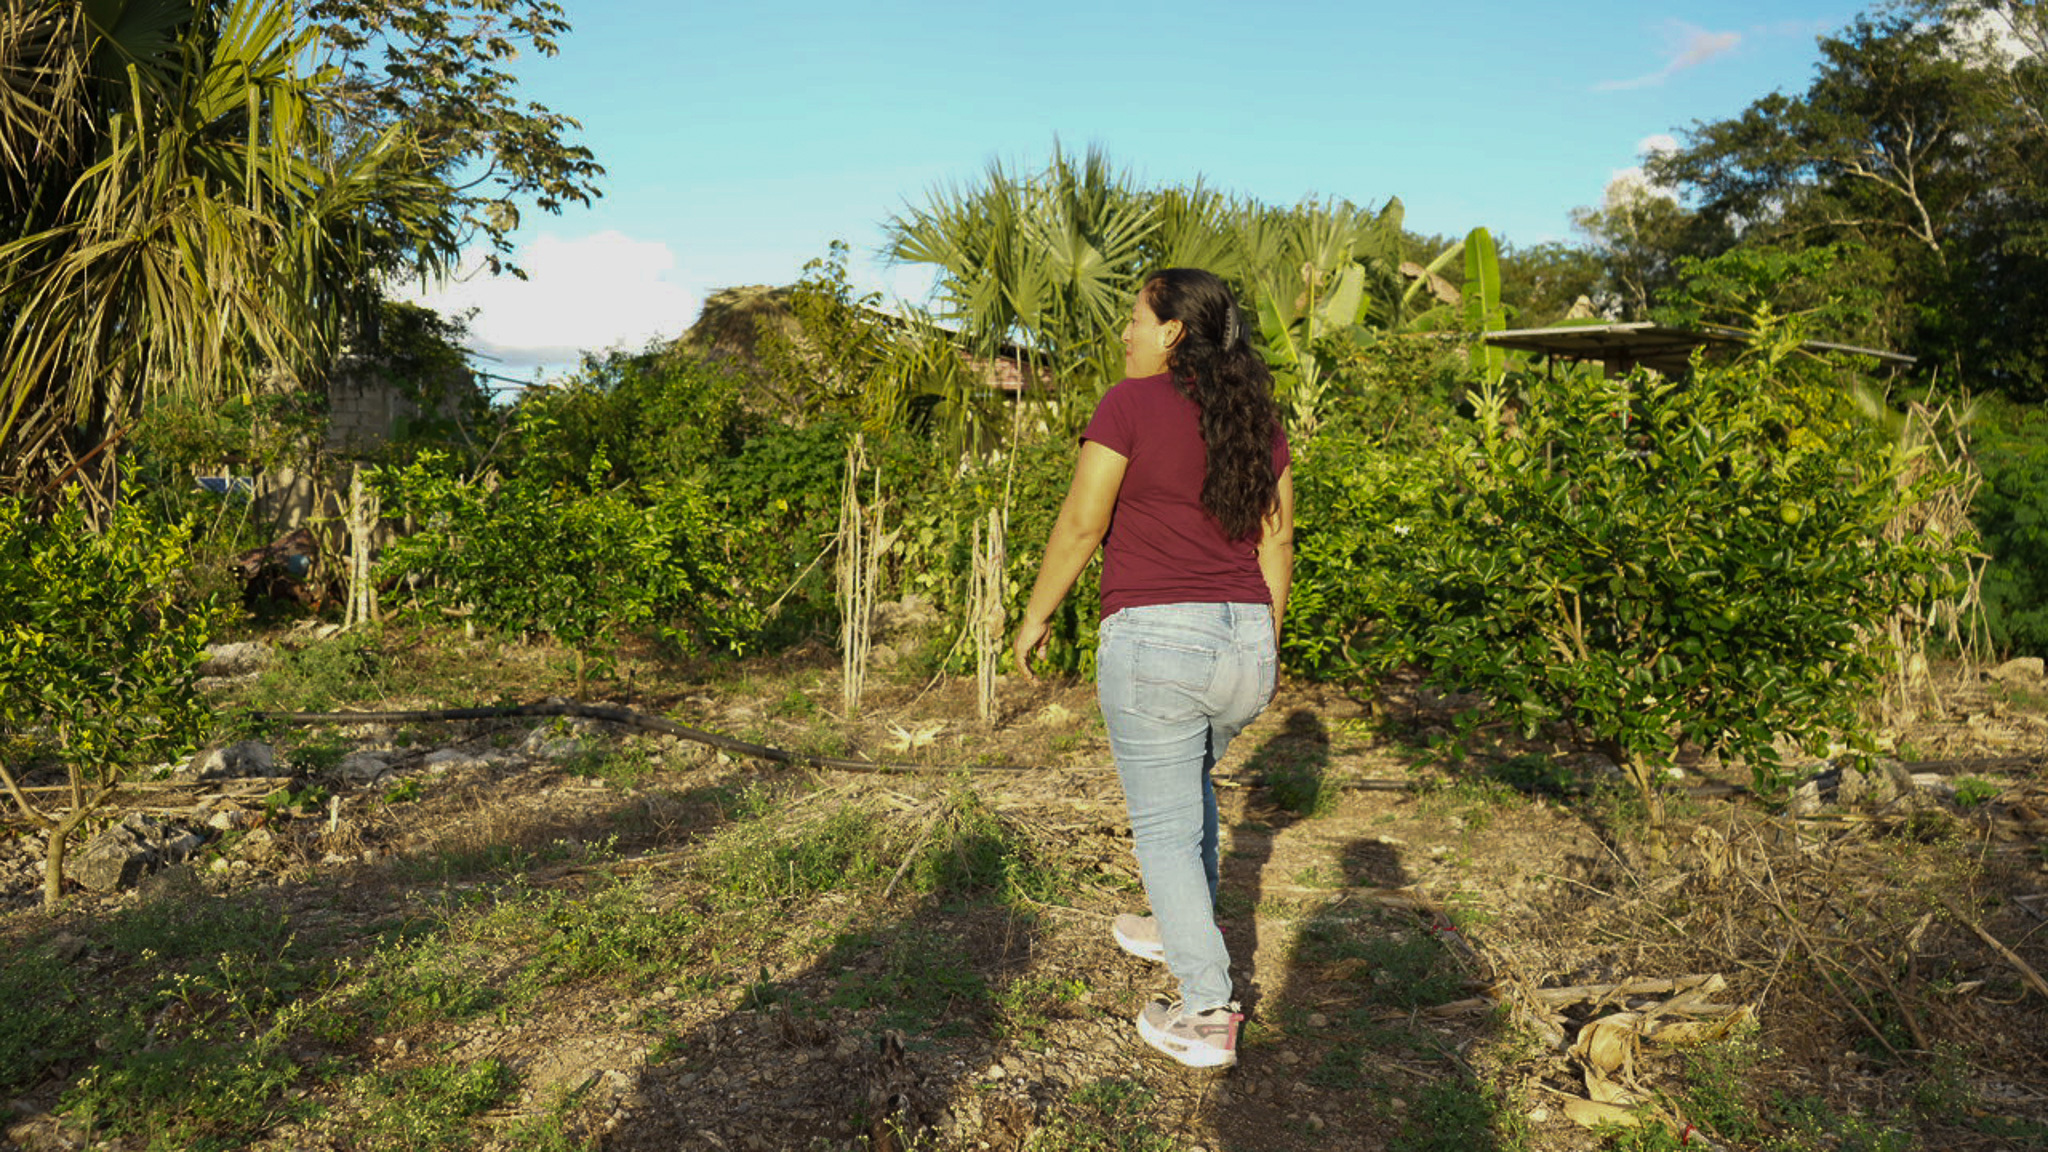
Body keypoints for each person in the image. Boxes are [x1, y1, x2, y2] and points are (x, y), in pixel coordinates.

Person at [1012, 267, 1293, 1070]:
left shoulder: (1126, 405)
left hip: (1158, 642)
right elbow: (1277, 542)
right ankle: (1177, 920)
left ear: (1172, 331)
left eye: (1136, 319)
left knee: (1167, 830)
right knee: (1189, 790)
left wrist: (1037, 614)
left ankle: (1205, 1011)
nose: (1126, 333)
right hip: (1246, 641)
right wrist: (1260, 639)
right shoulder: (1255, 416)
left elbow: (1081, 520)